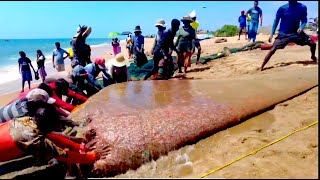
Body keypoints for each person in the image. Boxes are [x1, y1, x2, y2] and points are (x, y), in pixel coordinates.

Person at [0, 106, 110, 165]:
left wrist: (79, 146)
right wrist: (93, 156)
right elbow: (62, 155)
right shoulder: (32, 138)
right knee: (48, 156)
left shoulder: (26, 120)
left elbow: (51, 136)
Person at [261, 1, 317, 71]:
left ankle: (313, 56)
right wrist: (272, 34)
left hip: (296, 33)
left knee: (313, 44)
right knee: (273, 49)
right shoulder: (282, 8)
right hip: (284, 34)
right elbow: (276, 21)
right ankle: (262, 66)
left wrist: (302, 27)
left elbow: (304, 20)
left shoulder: (302, 7)